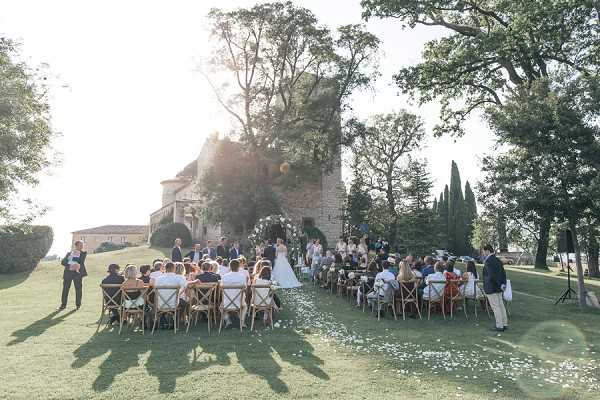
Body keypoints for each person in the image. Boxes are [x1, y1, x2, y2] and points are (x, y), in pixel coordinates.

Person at [482, 244, 508, 332]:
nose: (483, 253)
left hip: (492, 287)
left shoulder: (488, 261)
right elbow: (503, 273)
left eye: (484, 251)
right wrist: (502, 284)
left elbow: (491, 275)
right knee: (501, 305)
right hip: (499, 287)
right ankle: (504, 324)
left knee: (495, 307)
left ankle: (499, 325)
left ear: (487, 251)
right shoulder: (497, 260)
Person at [58, 240, 88, 310]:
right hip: (68, 273)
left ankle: (78, 305)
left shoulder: (83, 253)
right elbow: (63, 262)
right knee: (65, 289)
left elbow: (80, 261)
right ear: (76, 245)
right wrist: (70, 264)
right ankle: (63, 305)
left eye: (82, 245)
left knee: (78, 289)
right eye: (80, 245)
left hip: (77, 274)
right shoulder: (69, 253)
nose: (82, 247)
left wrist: (71, 262)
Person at [221, 259, 248, 328]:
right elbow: (245, 288)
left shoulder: (224, 277)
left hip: (227, 302)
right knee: (245, 307)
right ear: (239, 267)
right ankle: (241, 322)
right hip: (238, 302)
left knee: (221, 307)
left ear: (229, 267)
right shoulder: (242, 277)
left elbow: (221, 288)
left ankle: (227, 320)